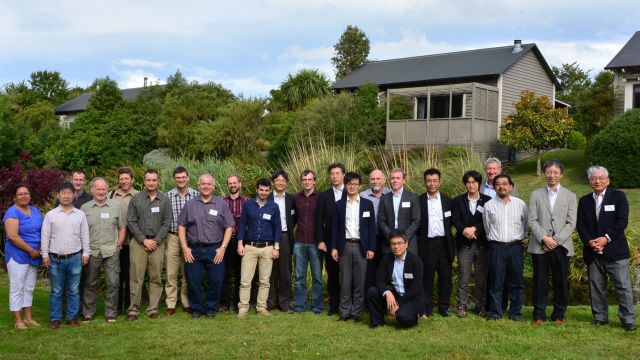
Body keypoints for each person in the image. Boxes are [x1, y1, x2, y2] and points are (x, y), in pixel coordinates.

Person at [576, 166, 636, 331]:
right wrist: (589, 241)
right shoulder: (584, 200)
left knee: (623, 288)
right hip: (593, 251)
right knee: (596, 287)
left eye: (601, 178)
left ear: (608, 180)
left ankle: (628, 320)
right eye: (594, 178)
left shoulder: (618, 197)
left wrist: (605, 238)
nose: (597, 181)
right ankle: (601, 318)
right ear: (589, 181)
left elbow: (621, 221)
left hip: (615, 251)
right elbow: (580, 224)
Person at [527, 160, 577, 327]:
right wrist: (544, 238)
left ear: (561, 175)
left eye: (555, 172)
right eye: (549, 172)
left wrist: (556, 240)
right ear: (544, 174)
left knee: (560, 281)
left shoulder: (570, 196)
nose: (552, 175)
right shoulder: (536, 194)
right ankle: (539, 314)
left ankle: (559, 314)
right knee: (540, 280)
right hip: (540, 245)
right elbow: (532, 220)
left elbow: (571, 223)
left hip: (561, 246)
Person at [178, 174, 234, 318]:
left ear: (213, 186)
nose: (206, 186)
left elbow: (229, 227)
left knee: (216, 280)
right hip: (193, 250)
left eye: (209, 184)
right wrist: (185, 248)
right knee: (193, 281)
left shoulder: (221, 204)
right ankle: (196, 308)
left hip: (214, 249)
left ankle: (210, 307)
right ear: (198, 186)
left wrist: (223, 248)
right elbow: (182, 226)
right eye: (203, 184)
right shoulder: (190, 204)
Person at [41, 182, 90, 329]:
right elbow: (45, 236)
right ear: (58, 195)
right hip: (56, 259)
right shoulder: (51, 215)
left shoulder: (80, 215)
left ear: (74, 195)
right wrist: (44, 254)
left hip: (75, 257)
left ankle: (72, 317)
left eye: (69, 193)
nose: (66, 196)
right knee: (56, 291)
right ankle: (55, 318)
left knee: (74, 290)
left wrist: (86, 252)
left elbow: (85, 235)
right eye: (63, 193)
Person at [126, 169, 171, 321]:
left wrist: (156, 241)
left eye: (154, 180)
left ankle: (153, 309)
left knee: (156, 278)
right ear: (144, 181)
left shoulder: (165, 200)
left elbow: (166, 223)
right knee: (136, 278)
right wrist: (143, 240)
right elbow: (131, 221)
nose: (151, 183)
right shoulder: (136, 199)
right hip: (139, 243)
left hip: (157, 244)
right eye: (148, 180)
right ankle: (133, 310)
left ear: (157, 181)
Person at [331, 172, 376, 322]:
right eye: (349, 184)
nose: (352, 186)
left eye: (355, 184)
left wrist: (371, 248)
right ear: (345, 186)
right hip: (344, 246)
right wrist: (334, 248)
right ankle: (344, 312)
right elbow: (335, 228)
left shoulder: (367, 204)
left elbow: (371, 228)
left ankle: (356, 313)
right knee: (345, 282)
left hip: (361, 247)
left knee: (359, 282)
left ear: (360, 186)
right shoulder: (338, 205)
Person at [80, 178, 126, 323]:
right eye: (98, 189)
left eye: (103, 189)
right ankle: (88, 312)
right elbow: (81, 230)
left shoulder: (116, 206)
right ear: (92, 190)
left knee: (112, 283)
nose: (101, 192)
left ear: (107, 190)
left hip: (111, 251)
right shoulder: (84, 208)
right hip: (92, 251)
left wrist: (119, 244)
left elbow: (122, 227)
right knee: (90, 283)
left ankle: (111, 313)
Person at [483, 174, 527, 321]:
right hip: (497, 247)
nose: (502, 186)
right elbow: (487, 228)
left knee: (517, 282)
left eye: (505, 184)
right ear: (494, 187)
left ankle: (516, 313)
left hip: (515, 247)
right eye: (498, 184)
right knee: (496, 282)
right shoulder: (489, 205)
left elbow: (525, 226)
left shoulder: (520, 204)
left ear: (511, 186)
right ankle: (496, 312)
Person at [237, 178, 282, 317]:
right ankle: (243, 308)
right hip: (250, 247)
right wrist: (240, 243)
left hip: (267, 248)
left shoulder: (274, 207)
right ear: (257, 190)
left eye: (266, 190)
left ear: (270, 191)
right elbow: (242, 225)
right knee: (245, 280)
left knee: (265, 281)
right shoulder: (248, 205)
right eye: (261, 190)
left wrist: (276, 248)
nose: (263, 192)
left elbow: (277, 228)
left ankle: (261, 307)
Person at [451, 170, 492, 318]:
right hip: (464, 246)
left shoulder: (488, 200)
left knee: (481, 279)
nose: (471, 185)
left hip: (482, 246)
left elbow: (488, 219)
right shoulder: (458, 200)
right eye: (468, 182)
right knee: (463, 277)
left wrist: (475, 228)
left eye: (474, 182)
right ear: (465, 184)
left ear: (479, 183)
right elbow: (455, 219)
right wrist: (464, 230)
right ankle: (461, 305)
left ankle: (479, 306)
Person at [3, 185, 43, 329]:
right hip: (18, 255)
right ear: (15, 197)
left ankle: (28, 318)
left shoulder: (36, 211)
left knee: (29, 287)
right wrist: (31, 250)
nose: (24, 196)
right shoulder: (12, 212)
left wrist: (39, 250)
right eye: (20, 194)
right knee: (17, 287)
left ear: (30, 196)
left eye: (26, 193)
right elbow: (13, 236)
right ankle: (17, 320)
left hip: (34, 255)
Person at [366, 230, 425, 329]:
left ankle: (414, 315)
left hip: (411, 298)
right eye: (393, 244)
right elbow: (379, 280)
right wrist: (387, 292)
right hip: (395, 295)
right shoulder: (386, 259)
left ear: (406, 244)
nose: (396, 247)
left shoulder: (415, 260)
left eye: (399, 243)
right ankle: (378, 323)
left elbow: (415, 288)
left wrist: (398, 304)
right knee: (372, 291)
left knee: (403, 317)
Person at [418, 168, 454, 317]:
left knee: (445, 277)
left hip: (444, 244)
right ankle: (427, 306)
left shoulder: (448, 201)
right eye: (429, 181)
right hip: (427, 244)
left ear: (440, 182)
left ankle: (444, 306)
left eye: (435, 181)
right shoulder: (418, 200)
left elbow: (452, 222)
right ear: (425, 182)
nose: (432, 184)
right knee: (427, 276)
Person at [165, 166, 199, 315]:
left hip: (190, 238)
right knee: (171, 273)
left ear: (188, 178)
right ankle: (171, 304)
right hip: (172, 237)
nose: (180, 180)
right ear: (174, 179)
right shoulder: (167, 197)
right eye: (178, 178)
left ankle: (186, 302)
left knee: (188, 272)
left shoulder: (196, 195)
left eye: (183, 177)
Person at [316, 163, 346, 315]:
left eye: (337, 173)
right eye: (332, 174)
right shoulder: (324, 195)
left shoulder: (351, 192)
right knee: (333, 275)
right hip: (329, 242)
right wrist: (320, 240)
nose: (334, 176)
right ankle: (334, 306)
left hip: (348, 241)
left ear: (343, 175)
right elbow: (319, 219)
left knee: (348, 275)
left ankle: (348, 305)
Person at [292, 169, 323, 314]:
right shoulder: (296, 198)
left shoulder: (321, 197)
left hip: (315, 242)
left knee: (317, 276)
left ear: (314, 181)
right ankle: (300, 305)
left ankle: (317, 306)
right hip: (299, 242)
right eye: (304, 180)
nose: (307, 182)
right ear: (301, 181)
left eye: (310, 179)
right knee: (299, 277)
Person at [110, 167, 139, 315]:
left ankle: (129, 306)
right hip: (115, 243)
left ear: (132, 180)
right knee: (116, 277)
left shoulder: (138, 195)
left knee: (130, 276)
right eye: (121, 179)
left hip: (132, 242)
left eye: (127, 178)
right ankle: (115, 307)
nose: (124, 181)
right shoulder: (111, 195)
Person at [267, 169, 296, 312]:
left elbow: (294, 220)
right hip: (269, 237)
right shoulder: (266, 198)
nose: (280, 183)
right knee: (269, 271)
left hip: (285, 238)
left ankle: (285, 302)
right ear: (273, 183)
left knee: (285, 271)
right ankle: (270, 302)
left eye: (283, 181)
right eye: (277, 180)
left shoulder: (291, 199)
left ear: (286, 183)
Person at [378, 168, 421, 255]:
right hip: (389, 244)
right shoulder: (384, 198)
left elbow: (416, 220)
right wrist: (391, 236)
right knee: (390, 268)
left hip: (409, 243)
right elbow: (380, 220)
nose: (395, 180)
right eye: (393, 178)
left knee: (408, 268)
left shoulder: (412, 197)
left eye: (398, 178)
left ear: (403, 180)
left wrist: (403, 238)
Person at [221, 175, 248, 312]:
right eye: (230, 183)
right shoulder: (221, 202)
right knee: (224, 274)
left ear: (240, 184)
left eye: (235, 182)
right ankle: (225, 303)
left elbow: (248, 221)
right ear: (228, 185)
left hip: (241, 241)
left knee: (240, 274)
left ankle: (238, 302)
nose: (232, 185)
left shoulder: (247, 202)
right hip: (225, 242)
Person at [360, 169, 391, 289]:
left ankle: (385, 301)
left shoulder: (390, 194)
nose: (375, 181)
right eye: (372, 179)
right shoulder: (362, 196)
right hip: (368, 239)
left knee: (386, 269)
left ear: (383, 180)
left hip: (387, 239)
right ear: (369, 181)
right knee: (369, 270)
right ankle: (369, 302)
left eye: (378, 179)